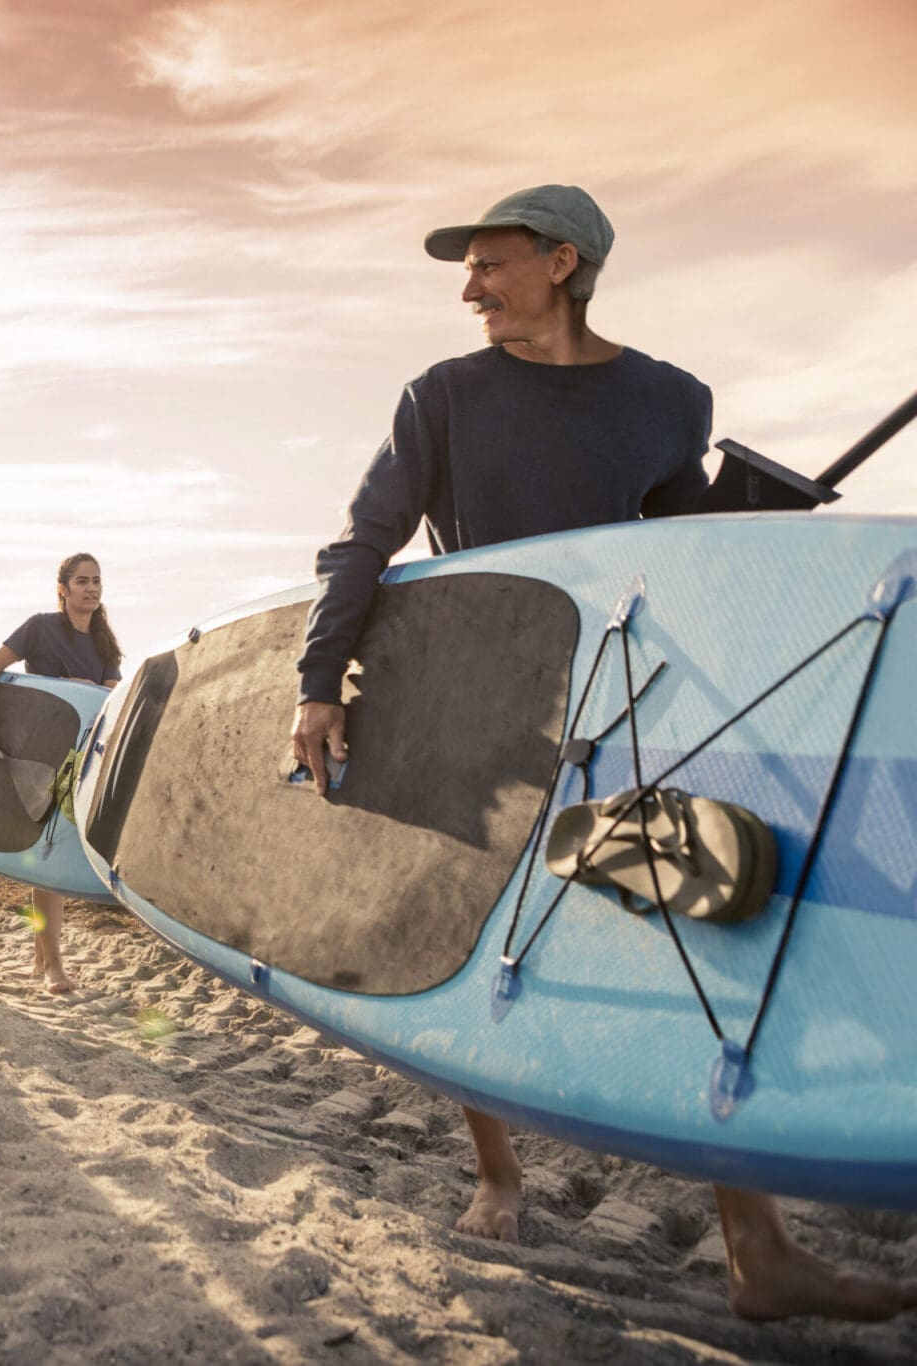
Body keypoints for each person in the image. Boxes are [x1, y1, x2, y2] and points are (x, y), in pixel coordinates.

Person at [286, 185, 917, 1322]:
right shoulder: (441, 396)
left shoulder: (669, 400)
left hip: (630, 698)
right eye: (467, 270)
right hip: (476, 698)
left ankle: (754, 1250)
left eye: (489, 264)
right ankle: (496, 1173)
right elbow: (363, 537)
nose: (467, 287)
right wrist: (315, 682)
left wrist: (762, 523)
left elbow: (686, 559)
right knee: (462, 927)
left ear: (561, 262)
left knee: (694, 917)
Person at [0, 553, 122, 993]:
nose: (91, 588)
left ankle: (40, 961)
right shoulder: (40, 628)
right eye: (81, 581)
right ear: (63, 590)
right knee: (47, 859)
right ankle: (54, 964)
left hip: (80, 758)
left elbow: (110, 699)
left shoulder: (103, 643)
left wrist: (87, 691)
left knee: (49, 856)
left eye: (96, 581)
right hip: (40, 755)